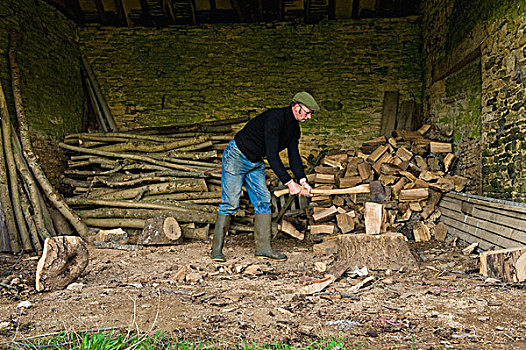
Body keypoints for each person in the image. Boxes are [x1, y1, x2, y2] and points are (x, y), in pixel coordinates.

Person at [211, 92, 320, 262]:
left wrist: (302, 180)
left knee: (263, 201)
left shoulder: (294, 129)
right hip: (236, 157)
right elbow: (272, 154)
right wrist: (289, 183)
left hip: (255, 161)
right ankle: (216, 250)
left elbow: (294, 155)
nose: (309, 116)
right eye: (307, 112)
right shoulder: (275, 119)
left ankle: (263, 249)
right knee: (230, 202)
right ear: (297, 107)